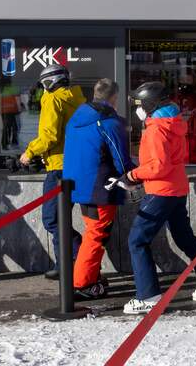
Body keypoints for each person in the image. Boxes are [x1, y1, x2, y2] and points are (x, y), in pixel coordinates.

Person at [115, 81, 196, 314]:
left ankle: (148, 297)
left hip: (160, 191)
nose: (138, 109)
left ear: (150, 104)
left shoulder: (156, 129)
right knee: (185, 238)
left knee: (137, 240)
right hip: (176, 188)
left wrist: (132, 175)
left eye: (139, 104)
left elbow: (158, 166)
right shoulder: (172, 122)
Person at [62, 79, 134, 299]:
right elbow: (121, 159)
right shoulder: (109, 122)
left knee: (92, 232)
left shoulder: (76, 118)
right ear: (114, 97)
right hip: (100, 187)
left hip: (78, 186)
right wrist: (132, 176)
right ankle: (82, 283)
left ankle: (89, 275)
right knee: (97, 234)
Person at [20, 64, 86, 279]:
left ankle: (74, 258)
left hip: (59, 167)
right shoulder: (77, 98)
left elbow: (49, 136)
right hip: (77, 164)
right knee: (61, 218)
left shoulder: (52, 98)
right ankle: (68, 263)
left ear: (49, 81)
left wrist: (29, 152)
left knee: (53, 219)